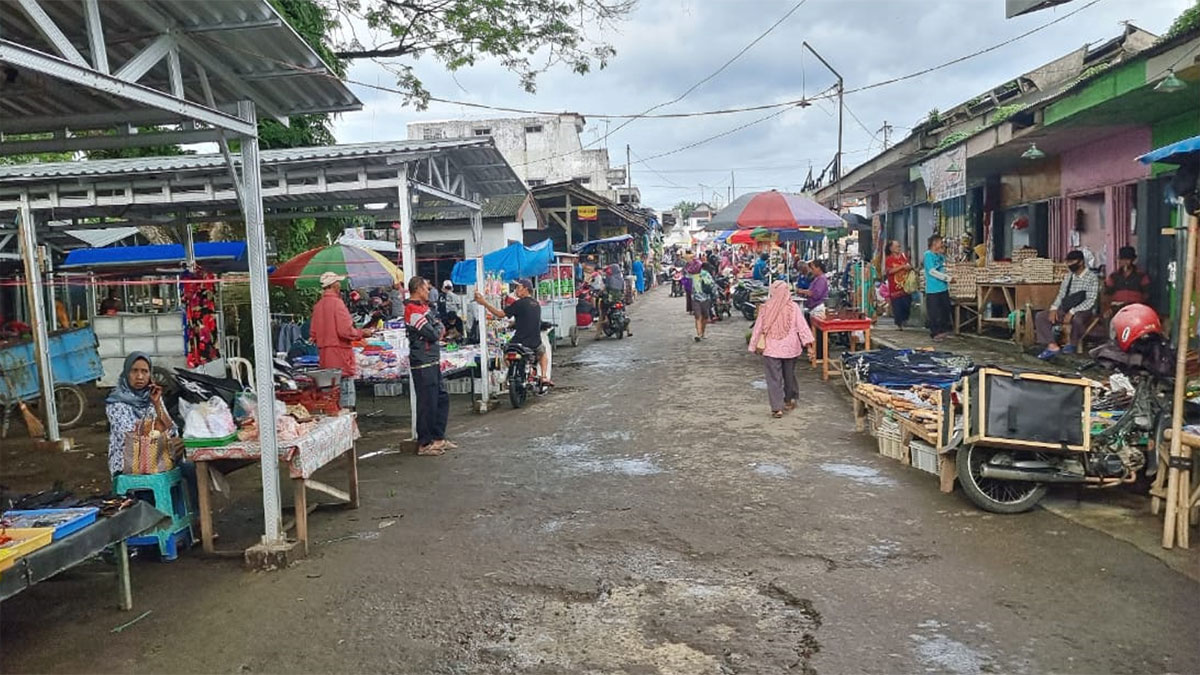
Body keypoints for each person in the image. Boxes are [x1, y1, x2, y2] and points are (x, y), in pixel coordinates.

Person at [105, 352, 181, 477]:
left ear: (150, 375)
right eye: (134, 371)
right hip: (127, 462)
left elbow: (172, 431)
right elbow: (129, 437)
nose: (140, 376)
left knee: (188, 468)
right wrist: (158, 432)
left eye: (144, 371)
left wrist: (157, 404)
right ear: (126, 373)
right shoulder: (116, 401)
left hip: (155, 457)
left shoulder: (152, 396)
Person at [749, 281, 815, 418]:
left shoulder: (765, 307)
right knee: (789, 375)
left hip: (771, 348)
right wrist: (809, 345)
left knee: (774, 378)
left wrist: (753, 345)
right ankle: (788, 400)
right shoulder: (794, 307)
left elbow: (758, 328)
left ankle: (776, 408)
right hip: (791, 348)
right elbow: (802, 326)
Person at [311, 271, 372, 410]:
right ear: (334, 285)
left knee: (330, 400)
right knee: (346, 402)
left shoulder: (318, 306)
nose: (340, 284)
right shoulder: (337, 304)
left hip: (325, 359)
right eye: (338, 282)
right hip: (341, 358)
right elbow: (345, 331)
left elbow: (313, 334)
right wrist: (362, 333)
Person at [405, 276, 452, 455]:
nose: (429, 291)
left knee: (441, 397)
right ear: (417, 289)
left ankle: (438, 438)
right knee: (427, 403)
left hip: (432, 359)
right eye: (426, 288)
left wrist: (437, 330)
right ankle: (424, 443)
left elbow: (438, 327)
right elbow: (433, 333)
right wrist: (436, 330)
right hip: (422, 361)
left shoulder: (425, 308)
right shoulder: (412, 310)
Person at [475, 279, 551, 387]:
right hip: (534, 341)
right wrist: (511, 325)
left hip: (519, 341)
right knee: (543, 354)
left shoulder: (518, 303)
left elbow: (500, 314)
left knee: (505, 355)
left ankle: (508, 374)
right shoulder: (536, 304)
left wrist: (484, 303)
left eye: (518, 287)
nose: (516, 290)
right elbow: (526, 319)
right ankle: (543, 377)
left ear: (525, 289)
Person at [1036, 250, 1099, 360]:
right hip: (1066, 308)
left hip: (1083, 309)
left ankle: (1072, 345)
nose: (1069, 264)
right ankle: (1052, 345)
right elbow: (1061, 295)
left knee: (1077, 320)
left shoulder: (1092, 278)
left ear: (1081, 262)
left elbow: (1090, 301)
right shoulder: (1069, 276)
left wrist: (1072, 312)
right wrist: (1054, 308)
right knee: (1041, 316)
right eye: (1068, 262)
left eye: (1072, 261)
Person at [923, 234, 953, 340]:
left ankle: (943, 330)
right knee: (934, 312)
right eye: (940, 242)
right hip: (933, 289)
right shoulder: (928, 255)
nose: (942, 244)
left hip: (943, 288)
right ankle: (935, 333)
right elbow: (932, 271)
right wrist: (947, 278)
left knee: (945, 309)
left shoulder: (940, 256)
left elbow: (945, 266)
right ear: (934, 243)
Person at [1104, 245, 1151, 311]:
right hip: (1117, 309)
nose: (1125, 262)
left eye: (1127, 259)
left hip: (1136, 309)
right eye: (1122, 259)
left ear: (1133, 260)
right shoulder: (1113, 276)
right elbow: (1107, 294)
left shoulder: (1141, 276)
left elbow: (1147, 294)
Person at [884, 240, 913, 329]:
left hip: (905, 286)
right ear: (891, 248)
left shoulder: (904, 256)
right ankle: (899, 323)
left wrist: (908, 267)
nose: (898, 248)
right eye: (896, 246)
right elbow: (889, 271)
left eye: (899, 246)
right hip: (895, 287)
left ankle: (905, 320)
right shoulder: (889, 259)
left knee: (906, 304)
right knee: (897, 306)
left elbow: (909, 266)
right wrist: (902, 267)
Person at [691, 260, 716, 342]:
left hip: (697, 298)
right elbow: (713, 286)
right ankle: (700, 334)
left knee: (700, 317)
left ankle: (701, 333)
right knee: (701, 316)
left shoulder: (697, 275)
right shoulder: (704, 275)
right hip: (703, 298)